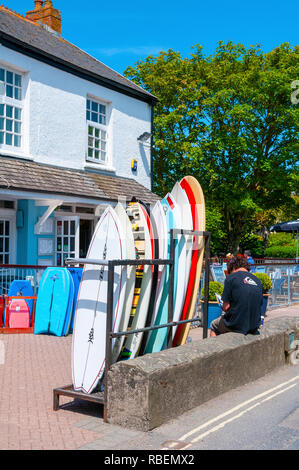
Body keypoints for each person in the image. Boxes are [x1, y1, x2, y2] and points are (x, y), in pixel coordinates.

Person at [210, 256, 263, 337]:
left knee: (214, 325)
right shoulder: (258, 281)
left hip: (236, 324)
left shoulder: (231, 278)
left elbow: (226, 307)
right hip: (254, 325)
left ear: (233, 268)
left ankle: (213, 348)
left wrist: (222, 305)